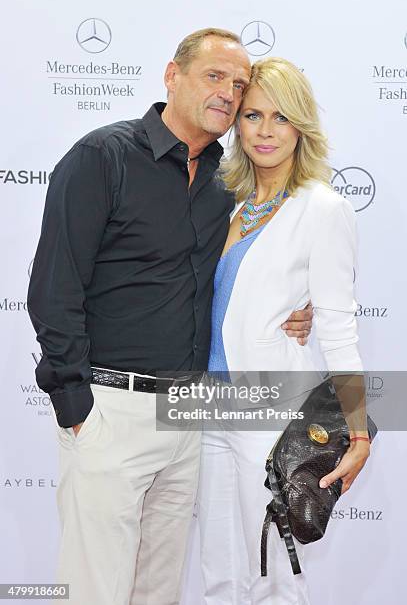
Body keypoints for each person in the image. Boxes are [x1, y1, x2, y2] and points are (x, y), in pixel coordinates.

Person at [27, 30, 313, 605]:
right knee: (93, 590)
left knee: (158, 591)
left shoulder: (224, 181)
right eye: (215, 77)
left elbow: (240, 273)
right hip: (110, 410)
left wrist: (291, 311)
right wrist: (77, 409)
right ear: (171, 76)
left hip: (187, 417)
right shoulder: (100, 158)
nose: (229, 95)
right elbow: (54, 291)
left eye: (238, 85)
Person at [197, 57, 371, 605]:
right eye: (252, 116)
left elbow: (340, 325)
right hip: (209, 407)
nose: (266, 131)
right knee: (220, 573)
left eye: (281, 117)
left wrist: (359, 432)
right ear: (236, 124)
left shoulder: (322, 209)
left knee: (273, 572)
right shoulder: (231, 205)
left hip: (271, 413)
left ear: (301, 126)